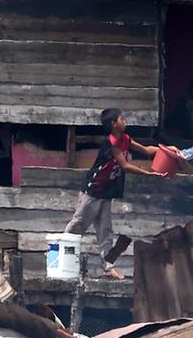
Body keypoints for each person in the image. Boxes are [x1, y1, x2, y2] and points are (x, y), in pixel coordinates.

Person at [65, 108, 174, 279]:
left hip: (106, 192)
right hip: (93, 191)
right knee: (78, 225)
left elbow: (146, 150)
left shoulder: (125, 139)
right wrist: (149, 174)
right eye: (122, 119)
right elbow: (125, 166)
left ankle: (108, 268)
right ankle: (62, 260)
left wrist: (166, 150)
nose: (126, 121)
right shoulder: (112, 142)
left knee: (106, 231)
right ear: (113, 124)